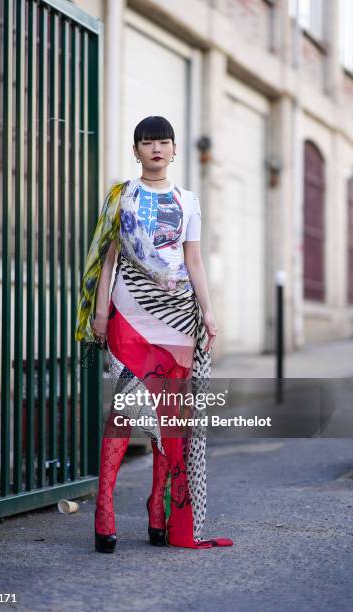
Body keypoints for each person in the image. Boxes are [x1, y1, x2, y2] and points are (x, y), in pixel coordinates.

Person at [75, 115, 233, 552]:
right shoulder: (121, 198)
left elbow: (194, 261)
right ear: (136, 150)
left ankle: (158, 509)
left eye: (163, 142)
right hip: (127, 314)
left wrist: (208, 311)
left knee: (169, 416)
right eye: (147, 143)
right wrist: (101, 313)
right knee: (123, 410)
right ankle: (104, 509)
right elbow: (108, 260)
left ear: (175, 149)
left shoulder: (188, 201)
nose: (156, 150)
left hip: (177, 320)